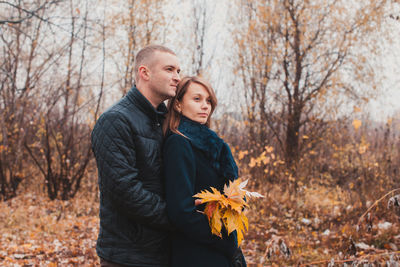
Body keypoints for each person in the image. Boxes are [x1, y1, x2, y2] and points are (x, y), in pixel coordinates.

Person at [91, 45, 181, 267]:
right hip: (128, 255)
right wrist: (179, 217)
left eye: (179, 71)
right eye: (170, 69)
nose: (177, 77)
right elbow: (124, 191)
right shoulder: (116, 120)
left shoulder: (166, 120)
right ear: (145, 73)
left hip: (165, 250)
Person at [162, 76, 247, 267]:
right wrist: (224, 240)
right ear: (177, 105)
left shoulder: (214, 145)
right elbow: (181, 212)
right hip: (196, 252)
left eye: (208, 101)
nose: (205, 106)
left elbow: (235, 196)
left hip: (217, 249)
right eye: (197, 99)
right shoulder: (179, 143)